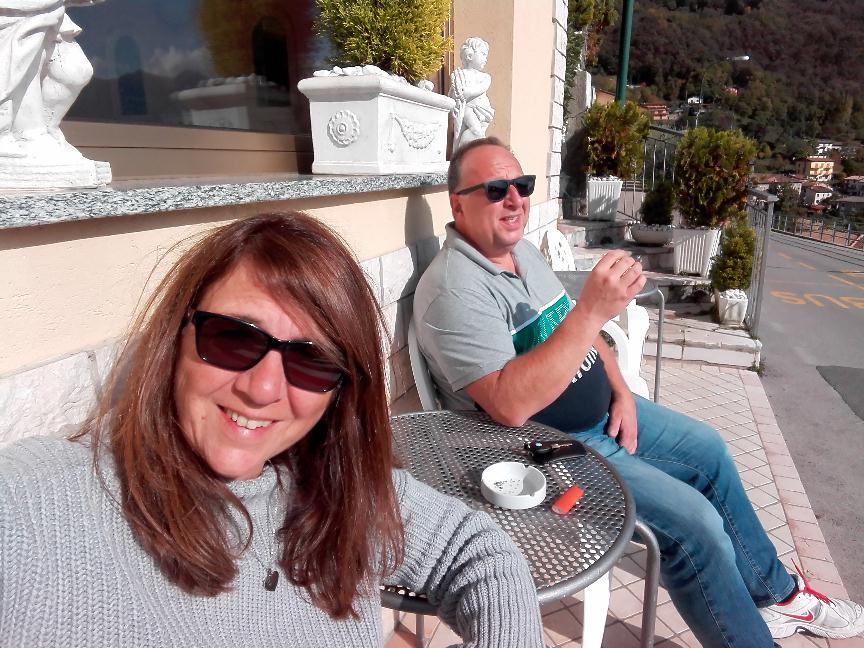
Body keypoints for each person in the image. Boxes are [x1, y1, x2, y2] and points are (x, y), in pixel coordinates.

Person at [0, 212, 544, 647]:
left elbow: (476, 551)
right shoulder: (38, 510)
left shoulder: (335, 487)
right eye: (234, 338)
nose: (262, 389)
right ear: (177, 335)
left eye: (312, 361)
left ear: (340, 392)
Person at [413, 137, 864, 648]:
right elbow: (509, 405)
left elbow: (581, 333)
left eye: (522, 184)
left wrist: (621, 389)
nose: (515, 199)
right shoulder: (455, 290)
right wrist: (592, 310)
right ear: (458, 204)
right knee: (697, 528)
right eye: (497, 189)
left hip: (604, 413)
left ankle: (776, 596)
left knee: (710, 450)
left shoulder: (520, 254)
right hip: (550, 449)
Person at [449, 37, 494, 154]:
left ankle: (468, 151)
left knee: (479, 132)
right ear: (469, 55)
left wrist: (469, 92)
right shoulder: (460, 75)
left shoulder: (485, 77)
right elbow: (452, 94)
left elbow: (482, 87)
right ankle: (464, 151)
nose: (486, 59)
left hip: (482, 110)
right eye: (483, 54)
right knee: (476, 131)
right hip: (467, 108)